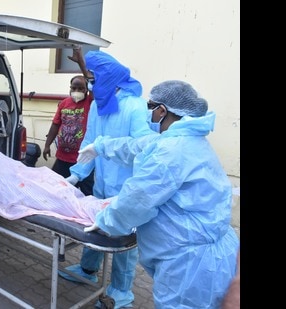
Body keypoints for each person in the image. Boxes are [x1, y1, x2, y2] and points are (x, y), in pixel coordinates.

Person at [82, 80, 240, 308]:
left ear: (162, 110)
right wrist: (100, 146)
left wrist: (106, 220)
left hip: (190, 264)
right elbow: (136, 146)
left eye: (151, 106)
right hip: (216, 252)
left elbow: (137, 200)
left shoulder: (171, 151)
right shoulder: (185, 140)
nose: (149, 113)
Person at [59, 47, 153, 309]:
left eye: (93, 79)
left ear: (107, 78)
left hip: (126, 189)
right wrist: (76, 175)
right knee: (95, 225)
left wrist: (106, 146)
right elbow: (90, 143)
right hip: (102, 183)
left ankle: (121, 292)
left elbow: (143, 145)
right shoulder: (99, 106)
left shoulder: (134, 107)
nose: (89, 85)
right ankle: (88, 270)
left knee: (122, 242)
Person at [0, 147, 114, 225]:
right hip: (5, 180)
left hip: (20, 172)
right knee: (48, 196)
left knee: (51, 183)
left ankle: (99, 208)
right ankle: (98, 209)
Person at [42, 75, 95, 196]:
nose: (77, 91)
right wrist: (47, 145)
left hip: (83, 159)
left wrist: (83, 66)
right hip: (62, 157)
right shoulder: (64, 104)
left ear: (86, 89)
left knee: (87, 194)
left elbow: (94, 87)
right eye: (74, 88)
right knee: (56, 189)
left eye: (81, 88)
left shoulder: (90, 103)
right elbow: (55, 125)